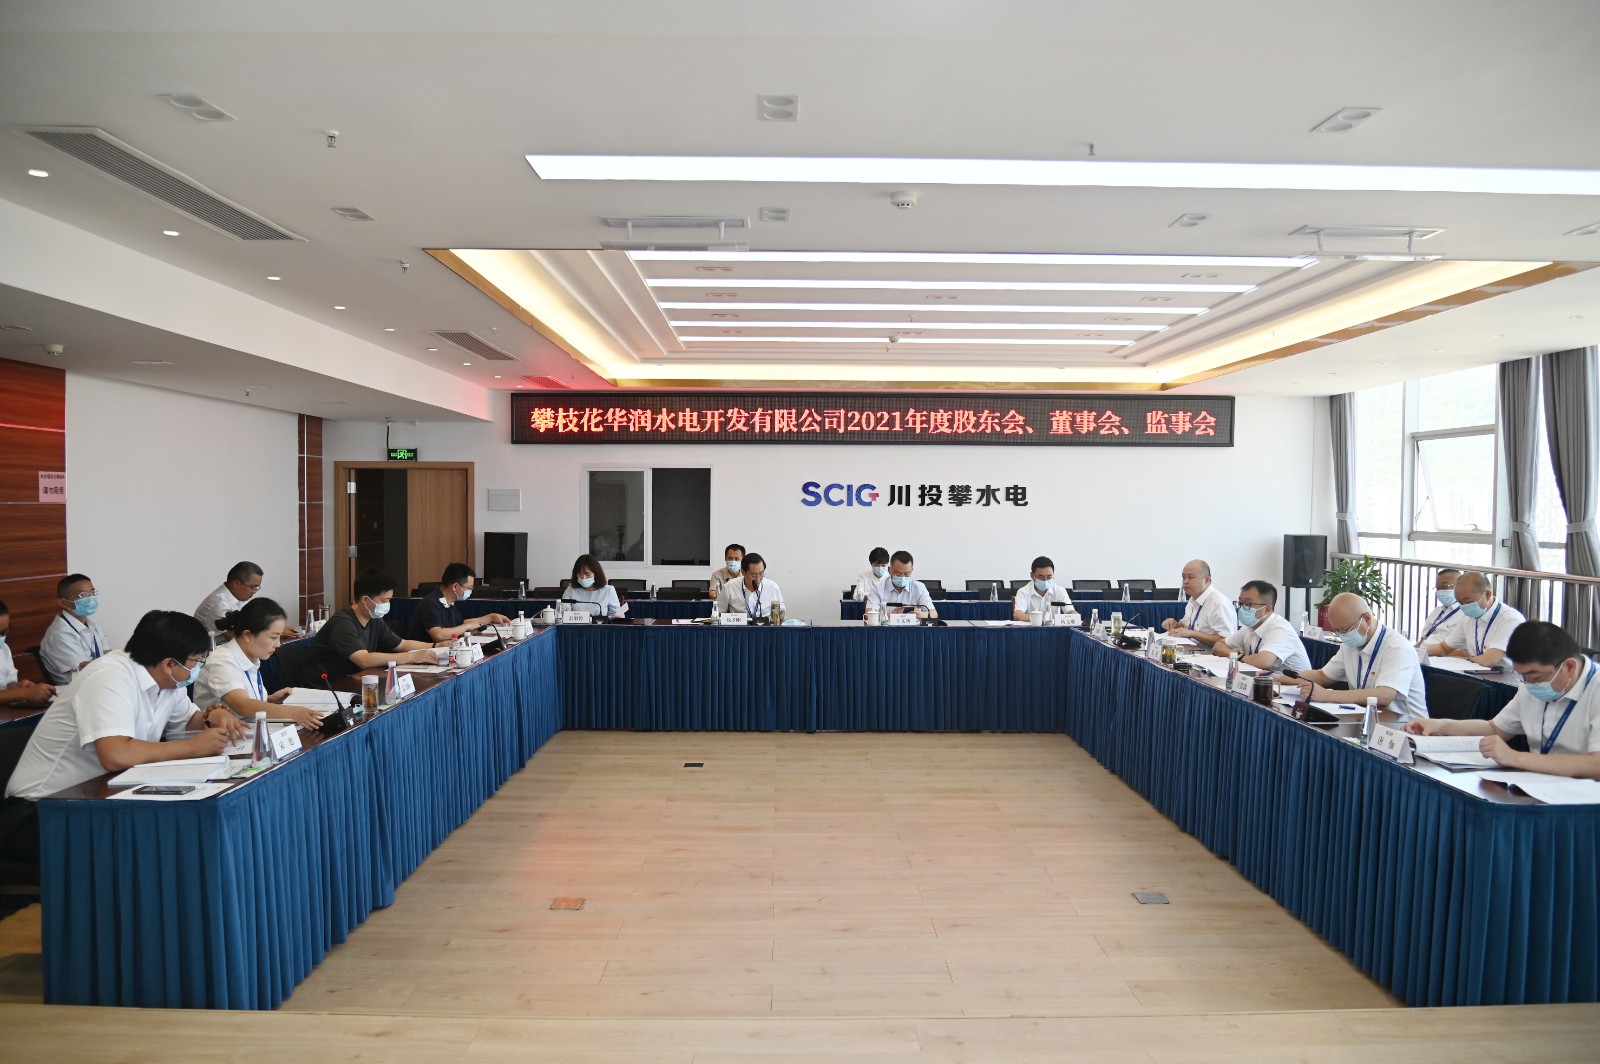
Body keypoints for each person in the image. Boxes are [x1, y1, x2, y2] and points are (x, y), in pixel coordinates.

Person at [2, 611, 247, 863]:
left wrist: (213, 715)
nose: (197, 668)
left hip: (98, 800)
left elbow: (188, 721)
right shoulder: (109, 677)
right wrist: (192, 747)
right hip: (41, 813)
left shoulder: (166, 681)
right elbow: (116, 754)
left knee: (178, 832)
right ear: (169, 664)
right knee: (160, 844)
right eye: (196, 661)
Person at [1406, 621, 1599, 779]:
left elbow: (1596, 764)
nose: (1528, 683)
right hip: (1542, 784)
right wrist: (1440, 725)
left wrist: (1515, 758)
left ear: (1570, 667)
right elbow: (1495, 729)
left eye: (1534, 676)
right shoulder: (1530, 685)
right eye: (1522, 676)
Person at [1278, 592, 1428, 723]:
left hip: (1406, 728)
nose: (1342, 636)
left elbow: (1384, 695)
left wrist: (1328, 695)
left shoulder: (1396, 648)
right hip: (1366, 720)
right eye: (1337, 631)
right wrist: (1279, 678)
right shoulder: (1350, 645)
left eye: (1346, 631)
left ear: (1367, 619)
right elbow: (1323, 676)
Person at [196, 597, 328, 730]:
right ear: (248, 635)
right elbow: (242, 705)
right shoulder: (221, 661)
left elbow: (243, 699)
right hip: (222, 737)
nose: (277, 644)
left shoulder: (251, 656)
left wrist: (269, 699)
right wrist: (293, 712)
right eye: (273, 637)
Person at [306, 569, 438, 684]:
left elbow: (402, 644)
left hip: (355, 682)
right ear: (365, 600)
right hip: (328, 689)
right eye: (384, 600)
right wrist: (412, 657)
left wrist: (436, 646)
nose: (388, 604)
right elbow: (364, 660)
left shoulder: (374, 619)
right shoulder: (343, 623)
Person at [1424, 570, 1524, 669]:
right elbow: (1444, 647)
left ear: (1487, 595)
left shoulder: (1510, 619)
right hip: (1475, 671)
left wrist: (1465, 659)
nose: (1463, 607)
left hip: (1503, 676)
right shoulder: (1468, 617)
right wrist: (1419, 652)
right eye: (1460, 602)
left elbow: (1489, 660)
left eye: (1468, 601)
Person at [1213, 580, 1310, 672]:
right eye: (1241, 603)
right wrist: (1232, 653)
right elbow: (1218, 646)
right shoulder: (1249, 626)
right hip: (1268, 680)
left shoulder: (1280, 628)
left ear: (1267, 609)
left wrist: (1239, 656)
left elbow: (1263, 662)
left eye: (1248, 604)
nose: (1242, 608)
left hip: (1293, 683)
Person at [407, 563, 511, 641]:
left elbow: (460, 624)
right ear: (455, 587)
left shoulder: (449, 601)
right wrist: (467, 627)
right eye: (469, 588)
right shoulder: (430, 603)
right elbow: (438, 635)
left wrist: (491, 617)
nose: (470, 591)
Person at [39, 573, 106, 685]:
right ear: (63, 603)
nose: (90, 598)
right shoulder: (61, 633)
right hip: (76, 688)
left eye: (92, 593)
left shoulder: (93, 624)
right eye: (82, 595)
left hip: (98, 681)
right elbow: (84, 670)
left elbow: (107, 653)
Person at [1160, 559, 1236, 648]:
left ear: (1207, 580)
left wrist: (1192, 634)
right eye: (1184, 577)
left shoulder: (1219, 603)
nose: (1185, 581)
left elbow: (1227, 640)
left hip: (1211, 655)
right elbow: (1186, 626)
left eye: (1190, 577)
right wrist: (1175, 624)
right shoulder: (1193, 599)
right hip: (1193, 651)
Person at [0, 599, 54, 706]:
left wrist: (19, 687)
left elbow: (9, 683)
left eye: (4, 632)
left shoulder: (3, 649)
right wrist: (23, 693)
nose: (2, 637)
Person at [193, 561, 263, 635]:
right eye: (253, 587)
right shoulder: (219, 605)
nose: (254, 592)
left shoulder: (239, 598)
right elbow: (237, 639)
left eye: (257, 588)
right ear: (236, 583)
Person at [867, 550, 938, 619]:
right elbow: (868, 615)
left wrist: (921, 615)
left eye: (906, 574)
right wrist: (888, 615)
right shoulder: (877, 587)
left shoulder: (919, 587)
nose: (902, 577)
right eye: (898, 574)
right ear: (889, 570)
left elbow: (934, 614)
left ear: (912, 570)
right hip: (886, 626)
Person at [715, 552, 785, 620]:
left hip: (765, 626)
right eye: (753, 575)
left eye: (761, 573)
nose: (758, 579)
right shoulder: (730, 587)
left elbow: (781, 611)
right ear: (743, 572)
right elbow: (719, 612)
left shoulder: (772, 587)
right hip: (738, 627)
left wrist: (780, 617)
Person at [1012, 556, 1077, 622]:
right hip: (1032, 627)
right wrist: (1039, 620)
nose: (1045, 580)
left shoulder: (1060, 591)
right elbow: (1018, 615)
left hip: (1053, 628)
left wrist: (1075, 616)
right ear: (1032, 576)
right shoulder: (1023, 592)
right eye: (1041, 577)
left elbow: (1071, 611)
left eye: (1049, 577)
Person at [563, 555, 628, 618]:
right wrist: (565, 613)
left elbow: (615, 614)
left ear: (596, 573)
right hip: (576, 625)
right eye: (580, 574)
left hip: (601, 625)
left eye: (588, 574)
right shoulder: (570, 590)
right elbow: (564, 612)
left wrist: (616, 616)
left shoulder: (608, 590)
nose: (584, 578)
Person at [1414, 567, 1464, 648]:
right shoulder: (1436, 611)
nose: (1440, 591)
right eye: (1437, 588)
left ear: (1460, 586)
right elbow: (1424, 637)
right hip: (1422, 651)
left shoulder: (1466, 614)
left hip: (1443, 654)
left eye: (1445, 586)